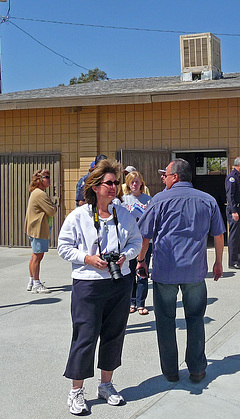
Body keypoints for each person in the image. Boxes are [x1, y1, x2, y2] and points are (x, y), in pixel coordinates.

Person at [57, 159, 142, 415]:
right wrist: (88, 258)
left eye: (116, 183)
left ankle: (106, 385)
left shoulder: (123, 214)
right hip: (89, 284)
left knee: (114, 335)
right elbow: (63, 247)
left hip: (120, 281)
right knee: (85, 336)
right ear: (95, 187)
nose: (114, 187)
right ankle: (76, 391)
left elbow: (136, 241)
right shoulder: (78, 216)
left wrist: (126, 255)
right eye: (109, 183)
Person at [138, 158, 225, 384]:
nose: (162, 178)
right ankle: (196, 368)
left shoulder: (158, 200)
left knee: (165, 321)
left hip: (165, 271)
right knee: (195, 319)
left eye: (165, 175)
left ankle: (170, 371)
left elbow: (145, 236)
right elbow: (218, 235)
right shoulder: (208, 200)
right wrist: (218, 262)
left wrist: (141, 261)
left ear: (175, 176)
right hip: (195, 271)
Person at [122, 171, 153, 316]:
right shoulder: (123, 200)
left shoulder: (148, 200)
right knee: (129, 273)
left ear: (142, 183)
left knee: (142, 271)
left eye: (137, 181)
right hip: (129, 241)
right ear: (128, 183)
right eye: (132, 181)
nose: (135, 184)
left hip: (145, 241)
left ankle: (141, 303)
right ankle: (131, 301)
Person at [24, 169, 57, 294]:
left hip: (35, 227)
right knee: (38, 256)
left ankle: (32, 281)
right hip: (38, 228)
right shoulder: (40, 194)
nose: (49, 179)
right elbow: (51, 211)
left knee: (34, 255)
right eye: (46, 177)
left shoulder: (37, 192)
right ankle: (36, 284)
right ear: (40, 180)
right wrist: (53, 206)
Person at [225, 156, 240, 269]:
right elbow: (230, 195)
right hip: (236, 210)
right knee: (234, 236)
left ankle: (239, 258)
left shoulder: (239, 177)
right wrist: (234, 211)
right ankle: (233, 261)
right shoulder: (232, 177)